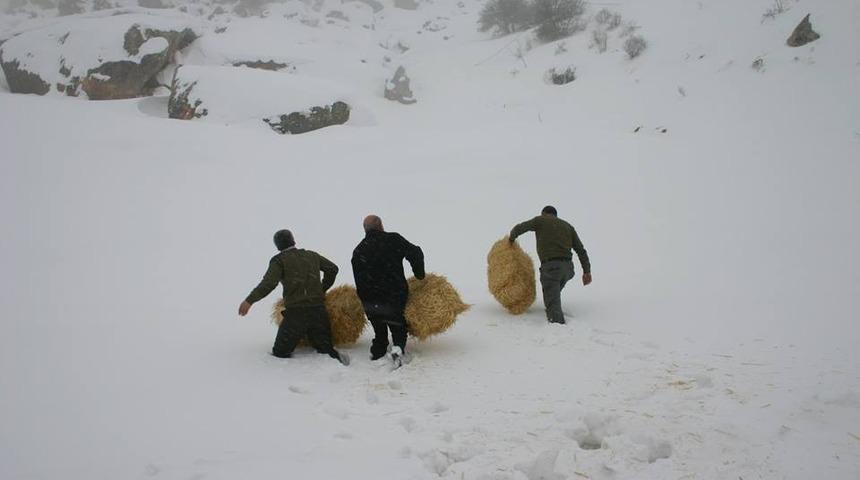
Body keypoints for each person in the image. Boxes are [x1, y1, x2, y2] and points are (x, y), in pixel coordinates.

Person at [238, 229, 349, 365]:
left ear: (278, 246)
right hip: (318, 312)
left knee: (280, 352)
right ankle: (337, 370)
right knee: (326, 350)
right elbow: (333, 268)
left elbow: (269, 284)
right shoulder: (311, 256)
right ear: (293, 240)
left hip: (296, 316)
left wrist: (249, 301)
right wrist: (322, 288)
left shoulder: (279, 261)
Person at [352, 215, 425, 366]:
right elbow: (416, 252)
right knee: (398, 326)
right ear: (381, 226)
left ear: (365, 230)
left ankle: (377, 351)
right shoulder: (394, 240)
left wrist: (366, 300)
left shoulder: (359, 251)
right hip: (394, 295)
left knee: (379, 331)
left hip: (371, 300)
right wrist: (419, 274)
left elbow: (358, 280)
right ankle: (397, 348)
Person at [509, 206, 592, 324]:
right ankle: (553, 308)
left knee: (552, 304)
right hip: (568, 269)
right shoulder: (568, 226)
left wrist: (511, 239)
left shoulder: (541, 220)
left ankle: (559, 330)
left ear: (544, 213)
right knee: (553, 295)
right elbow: (581, 250)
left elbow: (519, 228)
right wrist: (587, 271)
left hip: (552, 268)